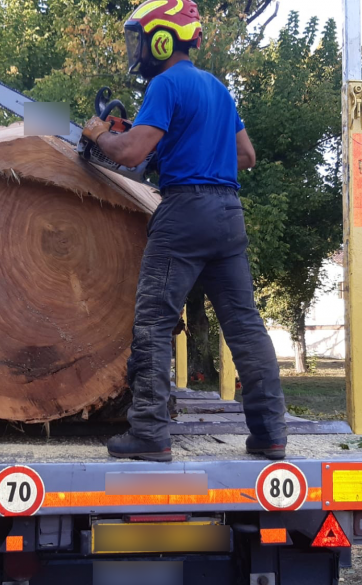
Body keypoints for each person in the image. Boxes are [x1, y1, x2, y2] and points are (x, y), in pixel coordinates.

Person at [81, 0, 287, 462]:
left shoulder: (166, 83)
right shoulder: (217, 88)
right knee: (246, 326)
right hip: (228, 214)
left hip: (185, 213)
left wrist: (99, 134)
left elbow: (131, 153)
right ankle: (270, 434)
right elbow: (246, 156)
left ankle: (150, 433)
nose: (137, 49)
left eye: (140, 38)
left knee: (153, 323)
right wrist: (185, 149)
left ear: (161, 39)